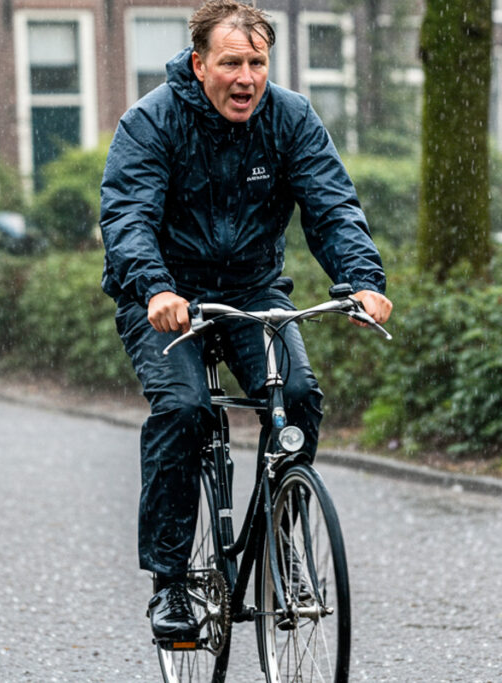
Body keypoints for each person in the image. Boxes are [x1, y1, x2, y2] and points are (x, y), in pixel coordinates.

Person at [100, 0, 392, 641]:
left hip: (253, 291)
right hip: (166, 296)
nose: (247, 77)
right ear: (199, 63)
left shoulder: (290, 120)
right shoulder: (151, 123)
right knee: (185, 409)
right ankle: (171, 584)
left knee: (298, 396)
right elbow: (128, 220)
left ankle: (280, 543)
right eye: (232, 62)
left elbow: (331, 204)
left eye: (257, 62)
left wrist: (363, 280)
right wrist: (154, 288)